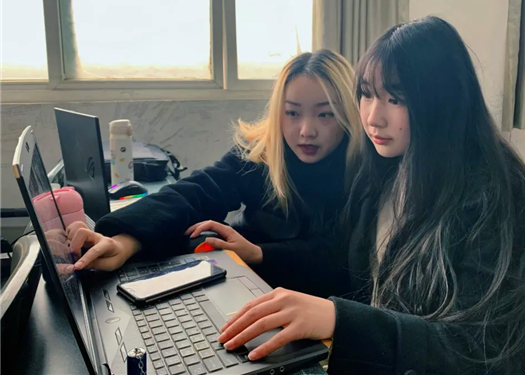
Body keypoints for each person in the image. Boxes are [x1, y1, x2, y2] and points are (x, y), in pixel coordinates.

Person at [215, 17, 525, 375]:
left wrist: (341, 321)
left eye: (395, 99)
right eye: (367, 94)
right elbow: (341, 254)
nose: (373, 118)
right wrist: (261, 256)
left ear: (442, 102)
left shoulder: (494, 195)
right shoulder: (388, 168)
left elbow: (484, 350)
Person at [67, 49, 362, 297]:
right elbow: (198, 191)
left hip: (312, 302)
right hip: (243, 281)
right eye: (292, 113)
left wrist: (258, 254)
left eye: (325, 114)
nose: (306, 131)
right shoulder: (263, 152)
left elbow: (341, 256)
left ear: (348, 113)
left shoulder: (364, 169)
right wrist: (123, 241)